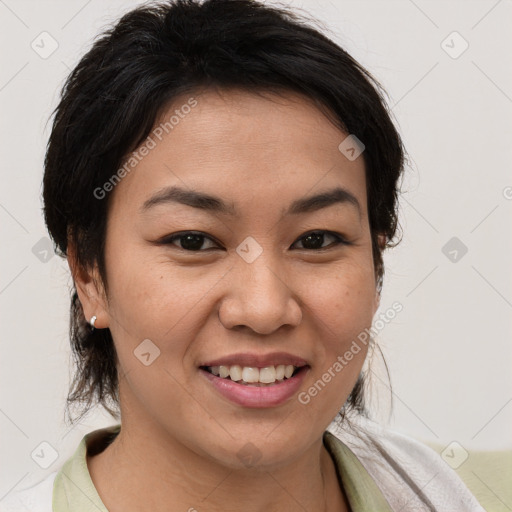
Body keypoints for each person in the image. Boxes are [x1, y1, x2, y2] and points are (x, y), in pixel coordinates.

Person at [1, 0, 485, 511]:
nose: (264, 309)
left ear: (376, 262)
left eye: (316, 240)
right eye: (193, 241)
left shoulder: (467, 494)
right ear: (88, 273)